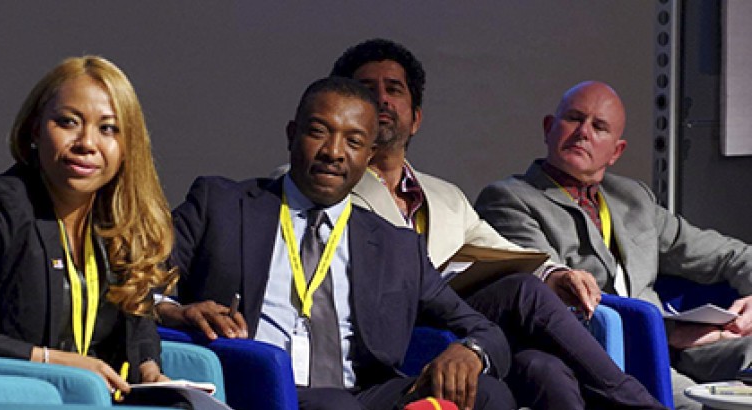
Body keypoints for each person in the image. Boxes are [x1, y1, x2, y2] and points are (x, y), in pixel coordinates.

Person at [329, 38, 664, 410]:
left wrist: (554, 275)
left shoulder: (445, 195)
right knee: (521, 291)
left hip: (461, 332)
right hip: (386, 332)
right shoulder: (325, 184)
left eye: (394, 89)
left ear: (417, 118)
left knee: (544, 369)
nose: (382, 99)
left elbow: (501, 249)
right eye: (365, 89)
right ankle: (638, 403)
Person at [157, 77, 517, 410]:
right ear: (291, 134)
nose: (334, 151)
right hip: (250, 383)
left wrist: (471, 351)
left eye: (353, 141)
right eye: (318, 133)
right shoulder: (221, 205)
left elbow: (485, 330)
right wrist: (175, 311)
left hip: (360, 396)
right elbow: (138, 284)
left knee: (489, 395)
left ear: (369, 155)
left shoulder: (397, 247)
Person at [475, 80, 752, 410]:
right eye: (574, 118)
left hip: (680, 347)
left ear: (616, 151)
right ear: (549, 128)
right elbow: (552, 303)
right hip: (604, 359)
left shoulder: (634, 198)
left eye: (599, 127)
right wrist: (667, 333)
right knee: (698, 407)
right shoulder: (508, 200)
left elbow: (727, 254)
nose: (583, 132)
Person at [0, 56, 177, 397]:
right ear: (35, 130)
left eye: (108, 128)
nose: (87, 143)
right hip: (17, 397)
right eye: (68, 122)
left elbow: (138, 314)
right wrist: (46, 359)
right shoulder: (3, 205)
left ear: (126, 148)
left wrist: (149, 368)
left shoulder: (118, 219)